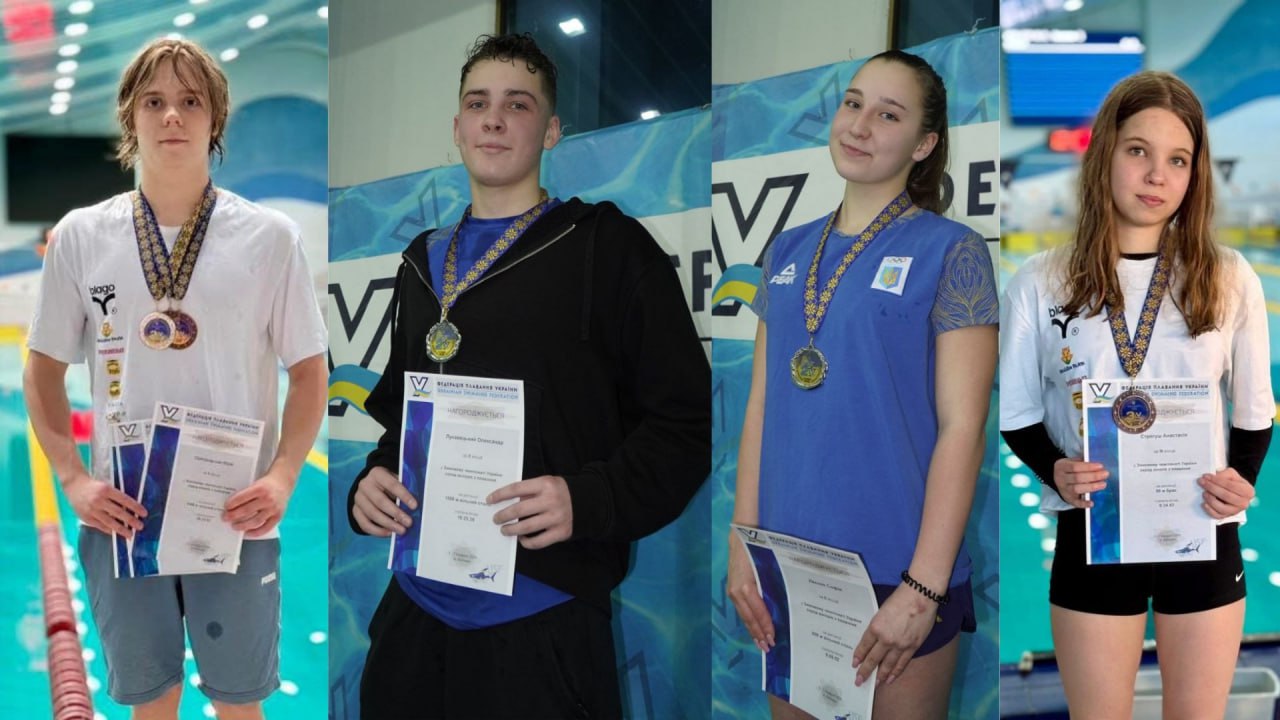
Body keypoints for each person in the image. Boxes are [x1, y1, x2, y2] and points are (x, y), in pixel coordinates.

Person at [347, 33, 710, 719]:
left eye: (517, 105)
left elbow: (685, 423)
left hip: (542, 621)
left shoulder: (606, 247)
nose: (493, 119)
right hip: (416, 612)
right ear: (457, 128)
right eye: (477, 104)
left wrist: (590, 498)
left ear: (551, 131)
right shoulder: (421, 263)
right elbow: (403, 419)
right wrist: (373, 479)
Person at [23, 38, 327, 720]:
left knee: (239, 705)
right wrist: (73, 479)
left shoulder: (270, 236)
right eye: (154, 101)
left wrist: (283, 477)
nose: (172, 117)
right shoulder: (80, 235)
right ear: (129, 116)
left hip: (237, 515)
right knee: (151, 705)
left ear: (215, 117)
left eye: (190, 101)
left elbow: (310, 372)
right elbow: (41, 372)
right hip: (124, 514)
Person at [726, 50, 998, 719]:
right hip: (787, 564)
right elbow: (761, 408)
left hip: (897, 574)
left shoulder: (953, 250)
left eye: (888, 114)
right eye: (853, 103)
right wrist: (742, 541)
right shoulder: (785, 249)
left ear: (924, 144)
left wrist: (924, 588)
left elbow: (963, 428)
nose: (860, 124)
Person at [1000, 71, 1271, 719]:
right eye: (1138, 151)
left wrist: (1242, 480)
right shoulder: (1040, 281)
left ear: (1195, 174)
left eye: (1178, 159)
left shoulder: (1229, 276)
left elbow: (1254, 410)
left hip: (1202, 530)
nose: (1156, 175)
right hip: (1092, 531)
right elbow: (1017, 414)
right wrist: (1055, 470)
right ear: (1105, 155)